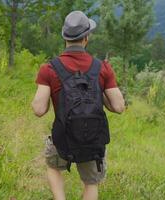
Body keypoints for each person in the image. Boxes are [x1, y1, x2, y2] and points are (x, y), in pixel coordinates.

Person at [31, 11, 125, 200]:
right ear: (86, 38)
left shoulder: (49, 69)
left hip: (62, 138)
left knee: (53, 166)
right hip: (92, 139)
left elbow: (39, 110)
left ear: (65, 38)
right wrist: (99, 94)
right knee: (91, 183)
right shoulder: (102, 68)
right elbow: (119, 107)